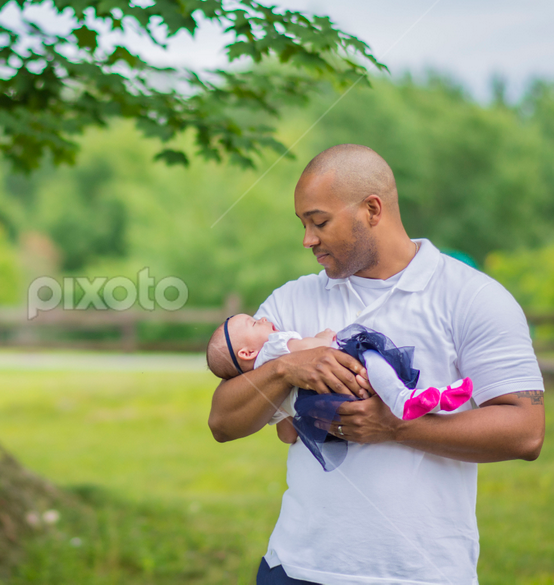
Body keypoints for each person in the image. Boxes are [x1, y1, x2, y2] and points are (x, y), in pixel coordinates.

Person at [207, 144, 545, 585]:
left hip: (421, 575)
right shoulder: (291, 300)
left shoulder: (473, 297)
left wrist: (394, 427)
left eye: (319, 222)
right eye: (303, 224)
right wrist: (286, 368)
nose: (308, 239)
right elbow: (223, 423)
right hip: (295, 569)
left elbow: (526, 431)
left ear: (372, 209)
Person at [206, 318, 473, 470]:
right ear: (247, 353)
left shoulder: (263, 392)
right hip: (343, 378)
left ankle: (419, 400)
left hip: (325, 406)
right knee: (367, 351)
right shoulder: (274, 346)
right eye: (254, 322)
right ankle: (403, 398)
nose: (263, 319)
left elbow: (287, 435)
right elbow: (312, 349)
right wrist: (324, 338)